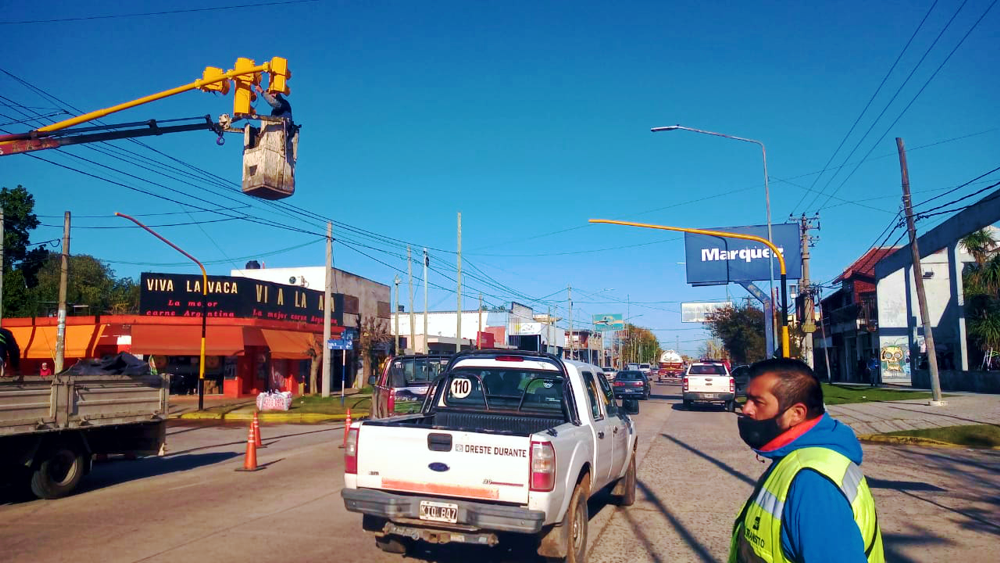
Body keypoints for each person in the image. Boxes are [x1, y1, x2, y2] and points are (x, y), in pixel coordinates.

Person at [730, 358, 884, 563]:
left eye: (757, 402)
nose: (746, 409)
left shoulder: (813, 483)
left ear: (796, 413)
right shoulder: (793, 459)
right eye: (747, 399)